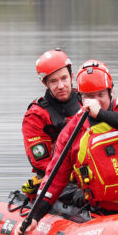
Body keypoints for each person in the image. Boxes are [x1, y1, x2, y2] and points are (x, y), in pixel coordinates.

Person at [18, 59, 118, 234]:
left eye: (100, 95)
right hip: (107, 216)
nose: (95, 101)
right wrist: (35, 215)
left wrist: (101, 114)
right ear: (81, 97)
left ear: (110, 92)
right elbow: (55, 179)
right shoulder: (71, 132)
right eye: (89, 97)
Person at [20, 48, 82, 197]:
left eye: (64, 78)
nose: (60, 86)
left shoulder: (87, 101)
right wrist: (74, 176)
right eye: (53, 81)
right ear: (45, 83)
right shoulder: (35, 116)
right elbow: (41, 162)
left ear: (72, 77)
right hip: (56, 181)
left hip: (91, 174)